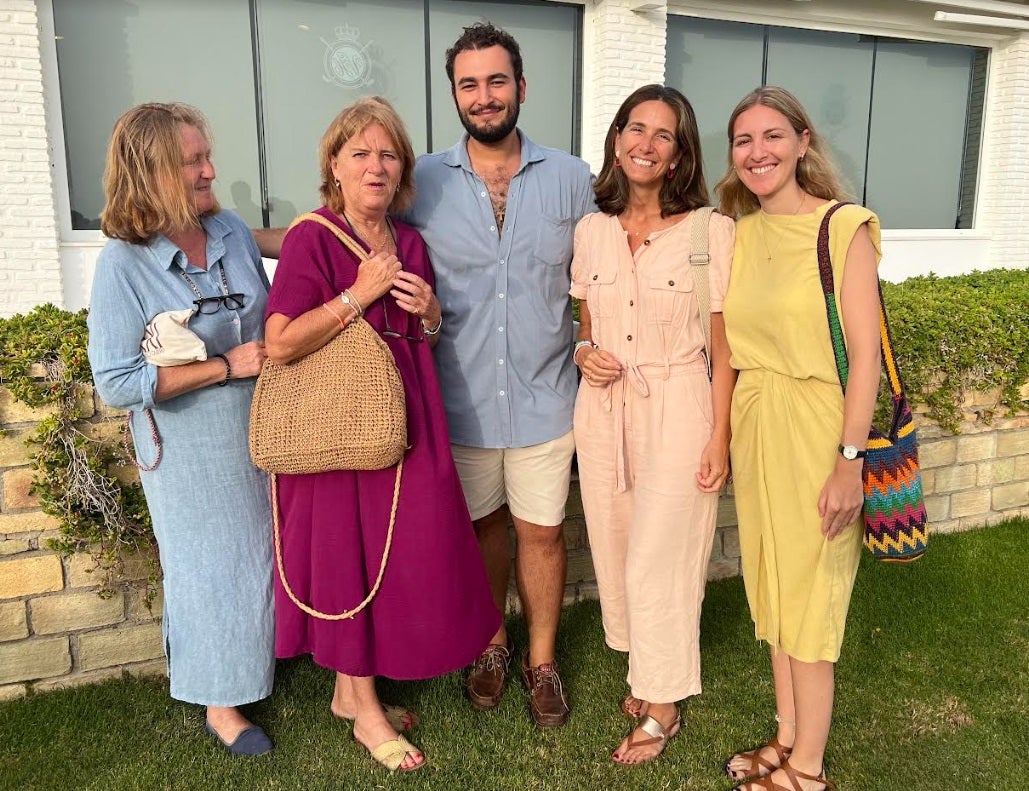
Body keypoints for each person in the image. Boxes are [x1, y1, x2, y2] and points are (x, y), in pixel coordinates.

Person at [263, 96, 501, 772]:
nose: (376, 165)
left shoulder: (408, 240)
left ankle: (347, 692)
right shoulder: (313, 236)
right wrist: (357, 295)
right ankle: (365, 710)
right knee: (349, 556)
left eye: (388, 154)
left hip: (409, 414)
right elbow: (280, 343)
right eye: (361, 153)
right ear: (333, 164)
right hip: (340, 424)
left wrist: (429, 314)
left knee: (400, 552)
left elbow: (420, 333)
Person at [403, 21, 595, 730]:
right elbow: (348, 224)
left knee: (542, 532)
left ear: (520, 86)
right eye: (468, 84)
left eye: (495, 81)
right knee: (484, 529)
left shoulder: (572, 179)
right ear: (453, 94)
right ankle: (491, 643)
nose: (483, 97)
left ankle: (539, 657)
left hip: (548, 398)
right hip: (463, 402)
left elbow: (604, 271)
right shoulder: (421, 181)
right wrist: (238, 233)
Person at [87, 103, 275, 756]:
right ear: (155, 171)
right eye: (193, 160)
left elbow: (269, 299)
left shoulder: (226, 229)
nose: (209, 169)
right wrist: (226, 366)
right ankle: (220, 700)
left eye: (205, 155)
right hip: (189, 444)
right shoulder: (123, 262)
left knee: (265, 553)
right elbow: (116, 381)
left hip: (264, 427)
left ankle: (264, 658)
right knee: (210, 568)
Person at [717, 86, 881, 791]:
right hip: (758, 418)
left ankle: (808, 769)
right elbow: (726, 341)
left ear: (803, 141)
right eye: (744, 139)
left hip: (818, 425)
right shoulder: (742, 229)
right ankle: (785, 736)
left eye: (772, 136)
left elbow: (866, 357)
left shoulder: (842, 227)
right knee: (774, 586)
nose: (758, 152)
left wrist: (849, 461)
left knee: (811, 597)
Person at [570, 84, 735, 764]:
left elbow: (725, 351)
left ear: (677, 154)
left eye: (662, 134)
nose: (644, 142)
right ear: (615, 140)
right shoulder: (590, 229)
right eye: (634, 128)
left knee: (663, 557)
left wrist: (719, 435)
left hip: (676, 405)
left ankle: (664, 699)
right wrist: (584, 353)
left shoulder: (709, 231)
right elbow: (582, 325)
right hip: (603, 410)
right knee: (614, 545)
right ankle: (646, 667)